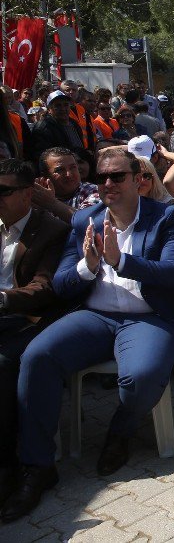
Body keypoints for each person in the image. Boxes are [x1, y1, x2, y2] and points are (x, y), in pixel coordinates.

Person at [5, 150, 174, 521]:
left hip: (149, 318)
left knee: (139, 377)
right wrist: (87, 265)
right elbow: (60, 283)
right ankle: (38, 466)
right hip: (96, 316)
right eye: (102, 177)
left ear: (138, 178)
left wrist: (121, 261)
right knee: (37, 356)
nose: (108, 184)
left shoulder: (167, 217)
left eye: (117, 176)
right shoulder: (84, 220)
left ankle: (121, 430)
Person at [0, 160, 70, 510]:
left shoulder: (51, 230)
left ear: (28, 194)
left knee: (5, 364)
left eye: (4, 191)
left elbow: (45, 288)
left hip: (26, 318)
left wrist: (3, 299)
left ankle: (25, 465)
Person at [31, 147, 101, 223]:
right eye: (60, 170)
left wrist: (51, 203)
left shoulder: (93, 191)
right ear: (45, 176)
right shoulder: (36, 197)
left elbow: (85, 222)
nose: (69, 174)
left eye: (73, 167)